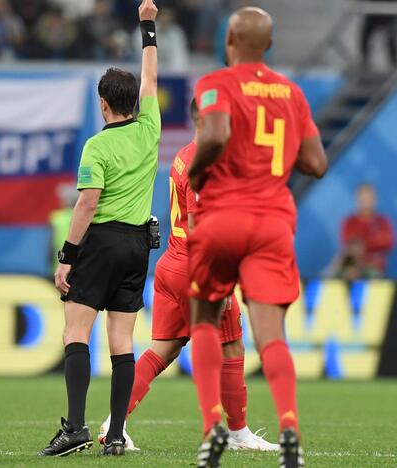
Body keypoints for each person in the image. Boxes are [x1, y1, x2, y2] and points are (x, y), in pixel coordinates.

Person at [186, 7, 327, 467]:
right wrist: (278, 160)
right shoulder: (292, 93)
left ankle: (213, 429)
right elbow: (316, 164)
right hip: (271, 223)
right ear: (269, 44)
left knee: (204, 318)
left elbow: (216, 133)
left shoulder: (214, 84)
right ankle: (289, 425)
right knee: (272, 335)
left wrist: (197, 170)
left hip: (222, 217)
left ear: (229, 39)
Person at [95, 99, 278, 452]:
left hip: (171, 266)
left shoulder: (183, 154)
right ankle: (238, 433)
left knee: (163, 350)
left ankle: (112, 424)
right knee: (231, 344)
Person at [39, 0, 160, 457]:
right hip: (138, 245)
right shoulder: (150, 128)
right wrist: (148, 28)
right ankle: (115, 434)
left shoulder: (97, 145)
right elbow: (150, 75)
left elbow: (87, 204)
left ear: (104, 104)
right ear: (136, 103)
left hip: (103, 240)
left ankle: (74, 428)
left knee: (76, 330)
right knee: (123, 340)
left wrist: (66, 256)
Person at [337, 183, 394, 279]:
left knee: (373, 275)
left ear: (375, 199)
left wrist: (364, 245)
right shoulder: (349, 222)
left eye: (369, 198)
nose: (366, 202)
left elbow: (388, 242)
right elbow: (348, 243)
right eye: (363, 198)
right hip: (352, 266)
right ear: (357, 200)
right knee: (341, 273)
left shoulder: (383, 222)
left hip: (374, 267)